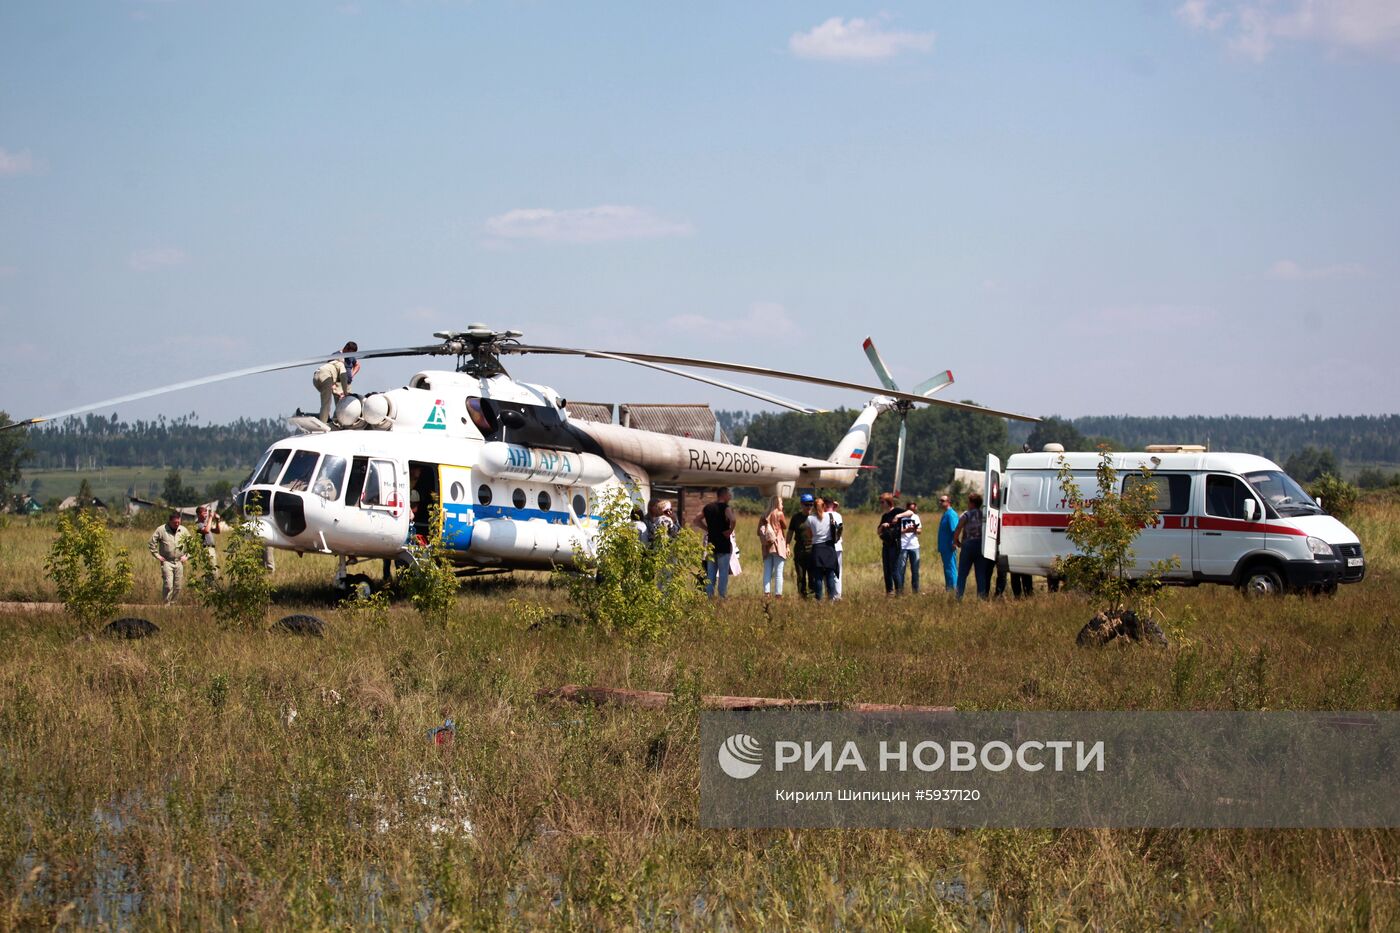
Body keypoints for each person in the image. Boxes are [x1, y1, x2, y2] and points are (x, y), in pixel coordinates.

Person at [692, 487, 737, 598]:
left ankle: (709, 596)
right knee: (723, 573)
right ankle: (722, 596)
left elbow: (696, 520)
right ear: (723, 495)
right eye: (728, 494)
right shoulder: (726, 508)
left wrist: (707, 529)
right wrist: (730, 530)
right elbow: (733, 519)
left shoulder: (708, 507)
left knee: (711, 573)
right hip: (723, 544)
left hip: (711, 544)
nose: (730, 496)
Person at [954, 492, 993, 599]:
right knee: (980, 574)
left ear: (972, 503)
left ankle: (959, 597)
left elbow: (958, 527)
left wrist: (956, 540)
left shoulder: (967, 514)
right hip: (980, 545)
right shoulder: (983, 514)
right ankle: (981, 597)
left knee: (962, 573)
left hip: (968, 545)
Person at [149, 511, 192, 604]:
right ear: (169, 521)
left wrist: (187, 556)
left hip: (179, 562)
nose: (177, 524)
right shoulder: (161, 530)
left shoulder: (183, 530)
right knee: (168, 585)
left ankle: (173, 605)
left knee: (178, 586)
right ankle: (166, 605)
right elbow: (152, 543)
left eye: (178, 522)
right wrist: (157, 556)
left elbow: (191, 545)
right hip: (166, 561)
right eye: (175, 522)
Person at [311, 341, 360, 421]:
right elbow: (338, 374)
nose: (352, 355)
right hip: (337, 383)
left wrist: (351, 375)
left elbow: (357, 365)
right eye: (351, 352)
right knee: (337, 404)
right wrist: (341, 391)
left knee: (347, 404)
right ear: (347, 349)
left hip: (347, 384)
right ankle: (330, 420)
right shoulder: (337, 357)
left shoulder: (351, 357)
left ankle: (339, 420)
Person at [806, 497, 840, 601]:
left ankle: (819, 598)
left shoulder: (810, 519)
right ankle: (831, 598)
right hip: (829, 548)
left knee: (818, 576)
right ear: (824, 506)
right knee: (830, 575)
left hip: (817, 549)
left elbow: (809, 535)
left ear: (814, 507)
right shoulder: (830, 516)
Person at [758, 497, 789, 597]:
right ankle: (778, 594)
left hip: (767, 545)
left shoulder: (764, 515)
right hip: (778, 544)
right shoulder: (779, 513)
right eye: (781, 503)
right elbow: (785, 526)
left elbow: (758, 531)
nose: (782, 505)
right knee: (778, 572)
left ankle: (767, 593)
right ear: (777, 503)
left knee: (767, 570)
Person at [787, 494, 815, 597]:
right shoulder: (796, 518)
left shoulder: (815, 517)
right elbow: (790, 532)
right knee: (801, 575)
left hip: (813, 550)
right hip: (799, 550)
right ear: (801, 505)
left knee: (812, 575)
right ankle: (802, 597)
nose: (809, 507)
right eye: (807, 505)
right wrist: (787, 546)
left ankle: (813, 594)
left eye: (811, 504)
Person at [893, 501, 922, 594]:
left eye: (913, 509)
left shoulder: (916, 517)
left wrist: (915, 529)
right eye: (910, 508)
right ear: (907, 508)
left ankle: (915, 590)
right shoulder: (901, 518)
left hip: (914, 546)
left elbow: (920, 530)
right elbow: (896, 531)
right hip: (903, 546)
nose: (912, 510)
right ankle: (900, 591)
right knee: (901, 569)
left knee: (915, 570)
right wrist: (906, 530)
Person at [877, 492, 903, 596]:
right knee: (886, 569)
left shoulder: (896, 511)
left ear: (888, 502)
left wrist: (898, 516)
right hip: (886, 544)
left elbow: (910, 513)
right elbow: (878, 531)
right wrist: (883, 526)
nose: (881, 504)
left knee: (894, 569)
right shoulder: (885, 516)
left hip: (895, 544)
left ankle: (899, 591)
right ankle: (889, 591)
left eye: (882, 502)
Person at [936, 494, 959, 591]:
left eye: (942, 500)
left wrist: (954, 542)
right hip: (944, 547)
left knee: (951, 568)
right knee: (947, 568)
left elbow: (955, 530)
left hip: (949, 546)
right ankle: (949, 588)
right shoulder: (946, 514)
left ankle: (953, 589)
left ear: (948, 502)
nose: (940, 502)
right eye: (940, 501)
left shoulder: (951, 514)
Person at [195, 505, 221, 577]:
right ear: (198, 514)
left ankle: (210, 587)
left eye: (207, 513)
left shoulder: (205, 524)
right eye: (204, 513)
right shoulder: (198, 524)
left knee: (212, 570)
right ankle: (211, 587)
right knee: (212, 571)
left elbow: (217, 531)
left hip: (211, 549)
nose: (206, 515)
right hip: (206, 549)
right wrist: (210, 518)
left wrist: (217, 521)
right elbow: (206, 530)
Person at [827, 497, 845, 599]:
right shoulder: (838, 515)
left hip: (827, 547)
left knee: (828, 572)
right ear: (833, 505)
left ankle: (831, 594)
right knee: (838, 572)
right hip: (838, 546)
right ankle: (838, 595)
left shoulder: (823, 516)